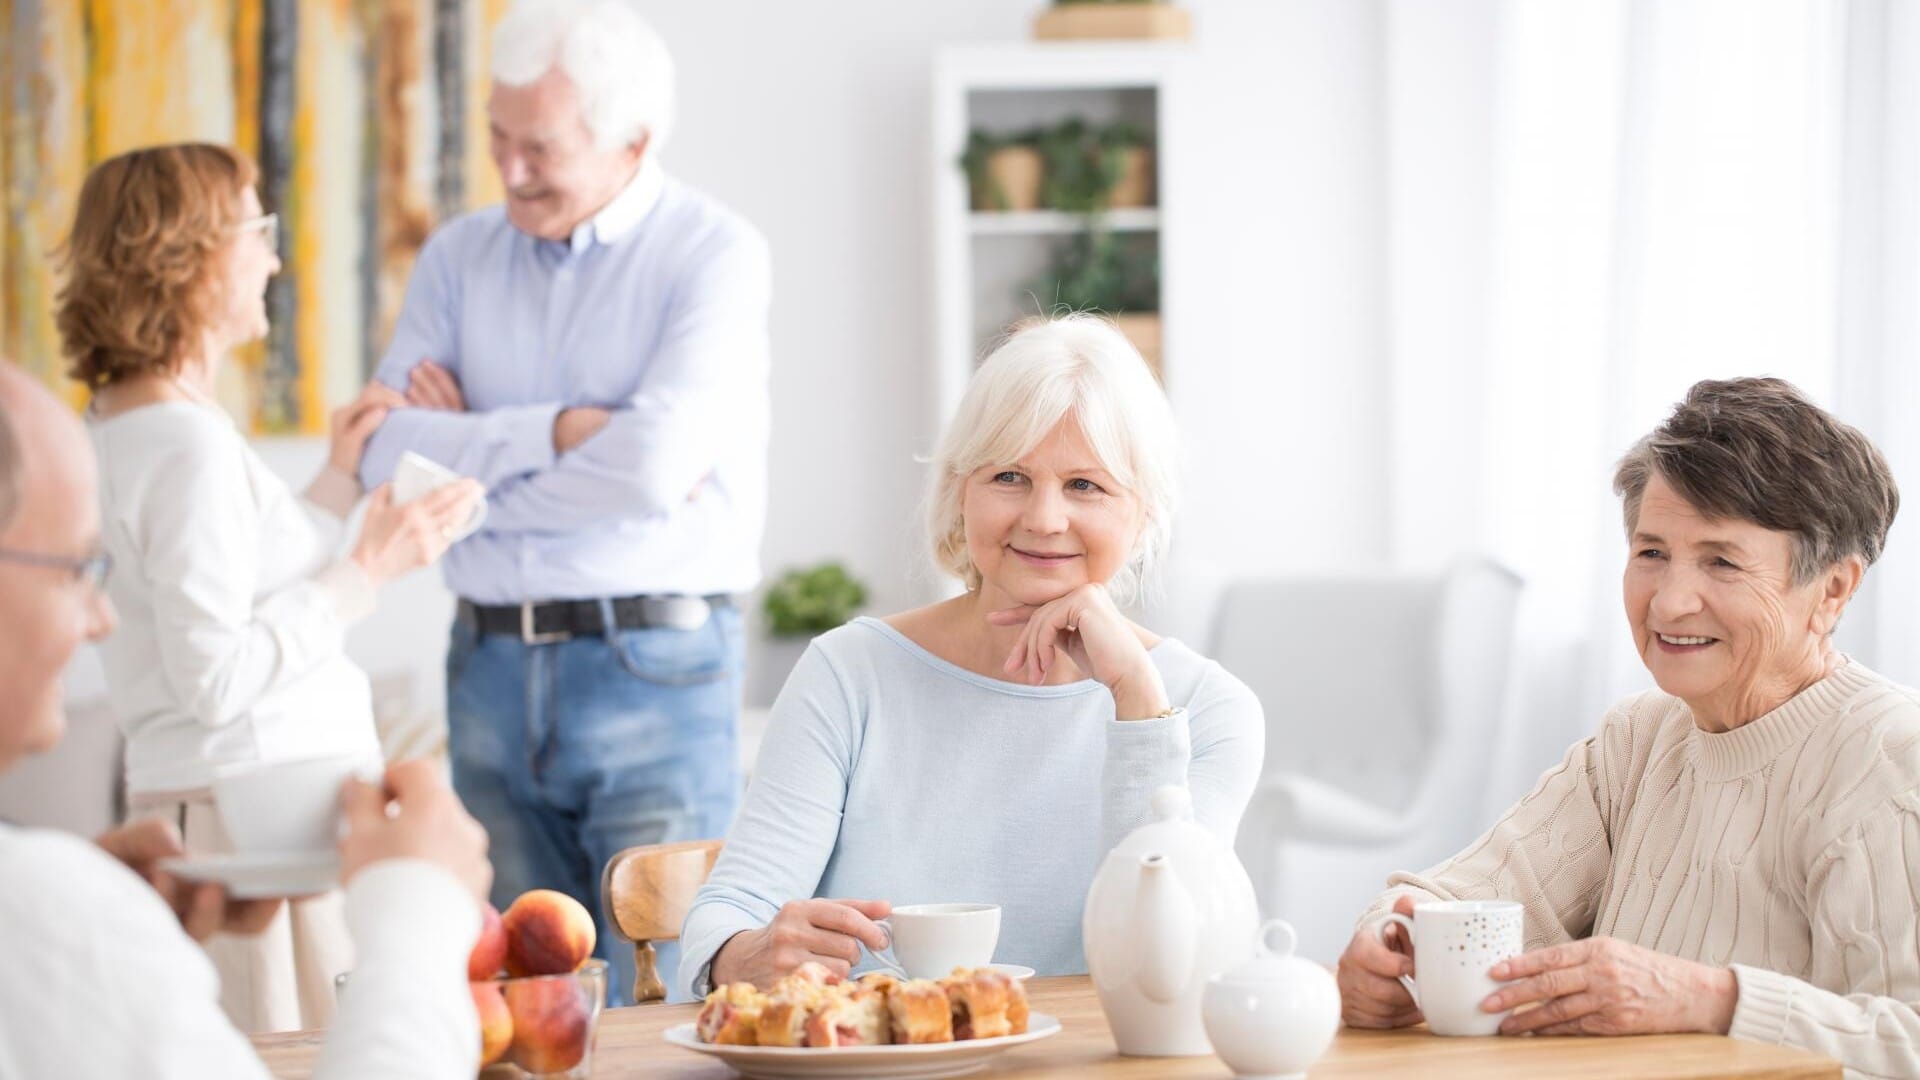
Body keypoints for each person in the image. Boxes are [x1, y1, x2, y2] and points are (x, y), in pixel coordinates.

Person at [357, 0, 769, 1005]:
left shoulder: (711, 253)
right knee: (520, 1002)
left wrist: (465, 462)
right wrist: (558, 429)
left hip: (654, 669)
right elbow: (379, 455)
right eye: (497, 136)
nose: (509, 168)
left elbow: (647, 467)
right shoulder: (457, 255)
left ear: (634, 140)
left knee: (667, 993)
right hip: (488, 665)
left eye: (538, 145)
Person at [1337, 378, 1920, 1078]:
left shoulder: (1889, 759)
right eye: (1651, 553)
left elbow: (1905, 1039)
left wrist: (1713, 998)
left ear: (1832, 589)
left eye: (1722, 562)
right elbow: (1462, 895)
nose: (1670, 602)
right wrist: (1387, 945)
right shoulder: (1639, 738)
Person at [677, 315, 1265, 997]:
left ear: (1143, 513)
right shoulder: (849, 675)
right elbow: (728, 916)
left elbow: (1169, 965)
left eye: (1086, 486)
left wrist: (1136, 696)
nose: (1044, 518)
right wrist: (741, 955)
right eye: (1010, 476)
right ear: (961, 491)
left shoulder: (1208, 710)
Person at [54, 142, 481, 1033]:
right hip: (251, 844)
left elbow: (230, 584)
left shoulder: (134, 424)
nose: (274, 259)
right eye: (259, 230)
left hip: (232, 822)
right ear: (194, 253)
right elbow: (216, 678)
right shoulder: (185, 445)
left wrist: (336, 479)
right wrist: (366, 572)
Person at [0, 360, 492, 1078]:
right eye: (77, 570)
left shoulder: (45, 911)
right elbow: (216, 677)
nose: (102, 620)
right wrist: (416, 916)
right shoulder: (39, 912)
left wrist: (97, 916)